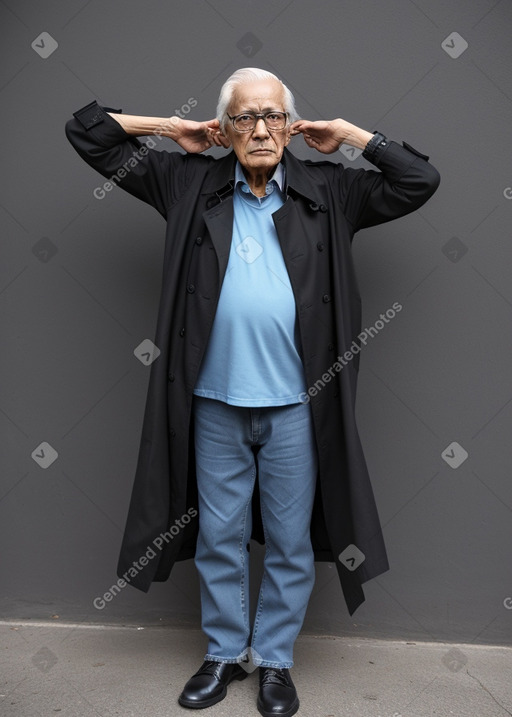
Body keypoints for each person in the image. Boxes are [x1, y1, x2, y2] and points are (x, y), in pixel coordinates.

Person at [65, 67, 440, 717]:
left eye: (273, 116)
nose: (260, 128)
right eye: (244, 117)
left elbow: (418, 180)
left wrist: (352, 136)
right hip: (213, 402)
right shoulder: (187, 182)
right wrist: (171, 128)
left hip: (299, 404)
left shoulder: (330, 189)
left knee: (292, 542)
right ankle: (222, 654)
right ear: (226, 127)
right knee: (219, 536)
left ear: (292, 125)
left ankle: (274, 663)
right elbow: (88, 132)